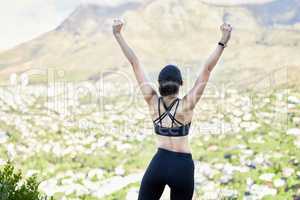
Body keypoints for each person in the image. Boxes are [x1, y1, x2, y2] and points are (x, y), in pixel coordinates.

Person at [113, 19, 232, 200]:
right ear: (181, 84)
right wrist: (223, 40)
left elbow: (134, 63)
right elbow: (207, 69)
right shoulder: (186, 105)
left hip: (159, 163)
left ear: (159, 84)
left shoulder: (152, 101)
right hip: (182, 166)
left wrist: (118, 34)